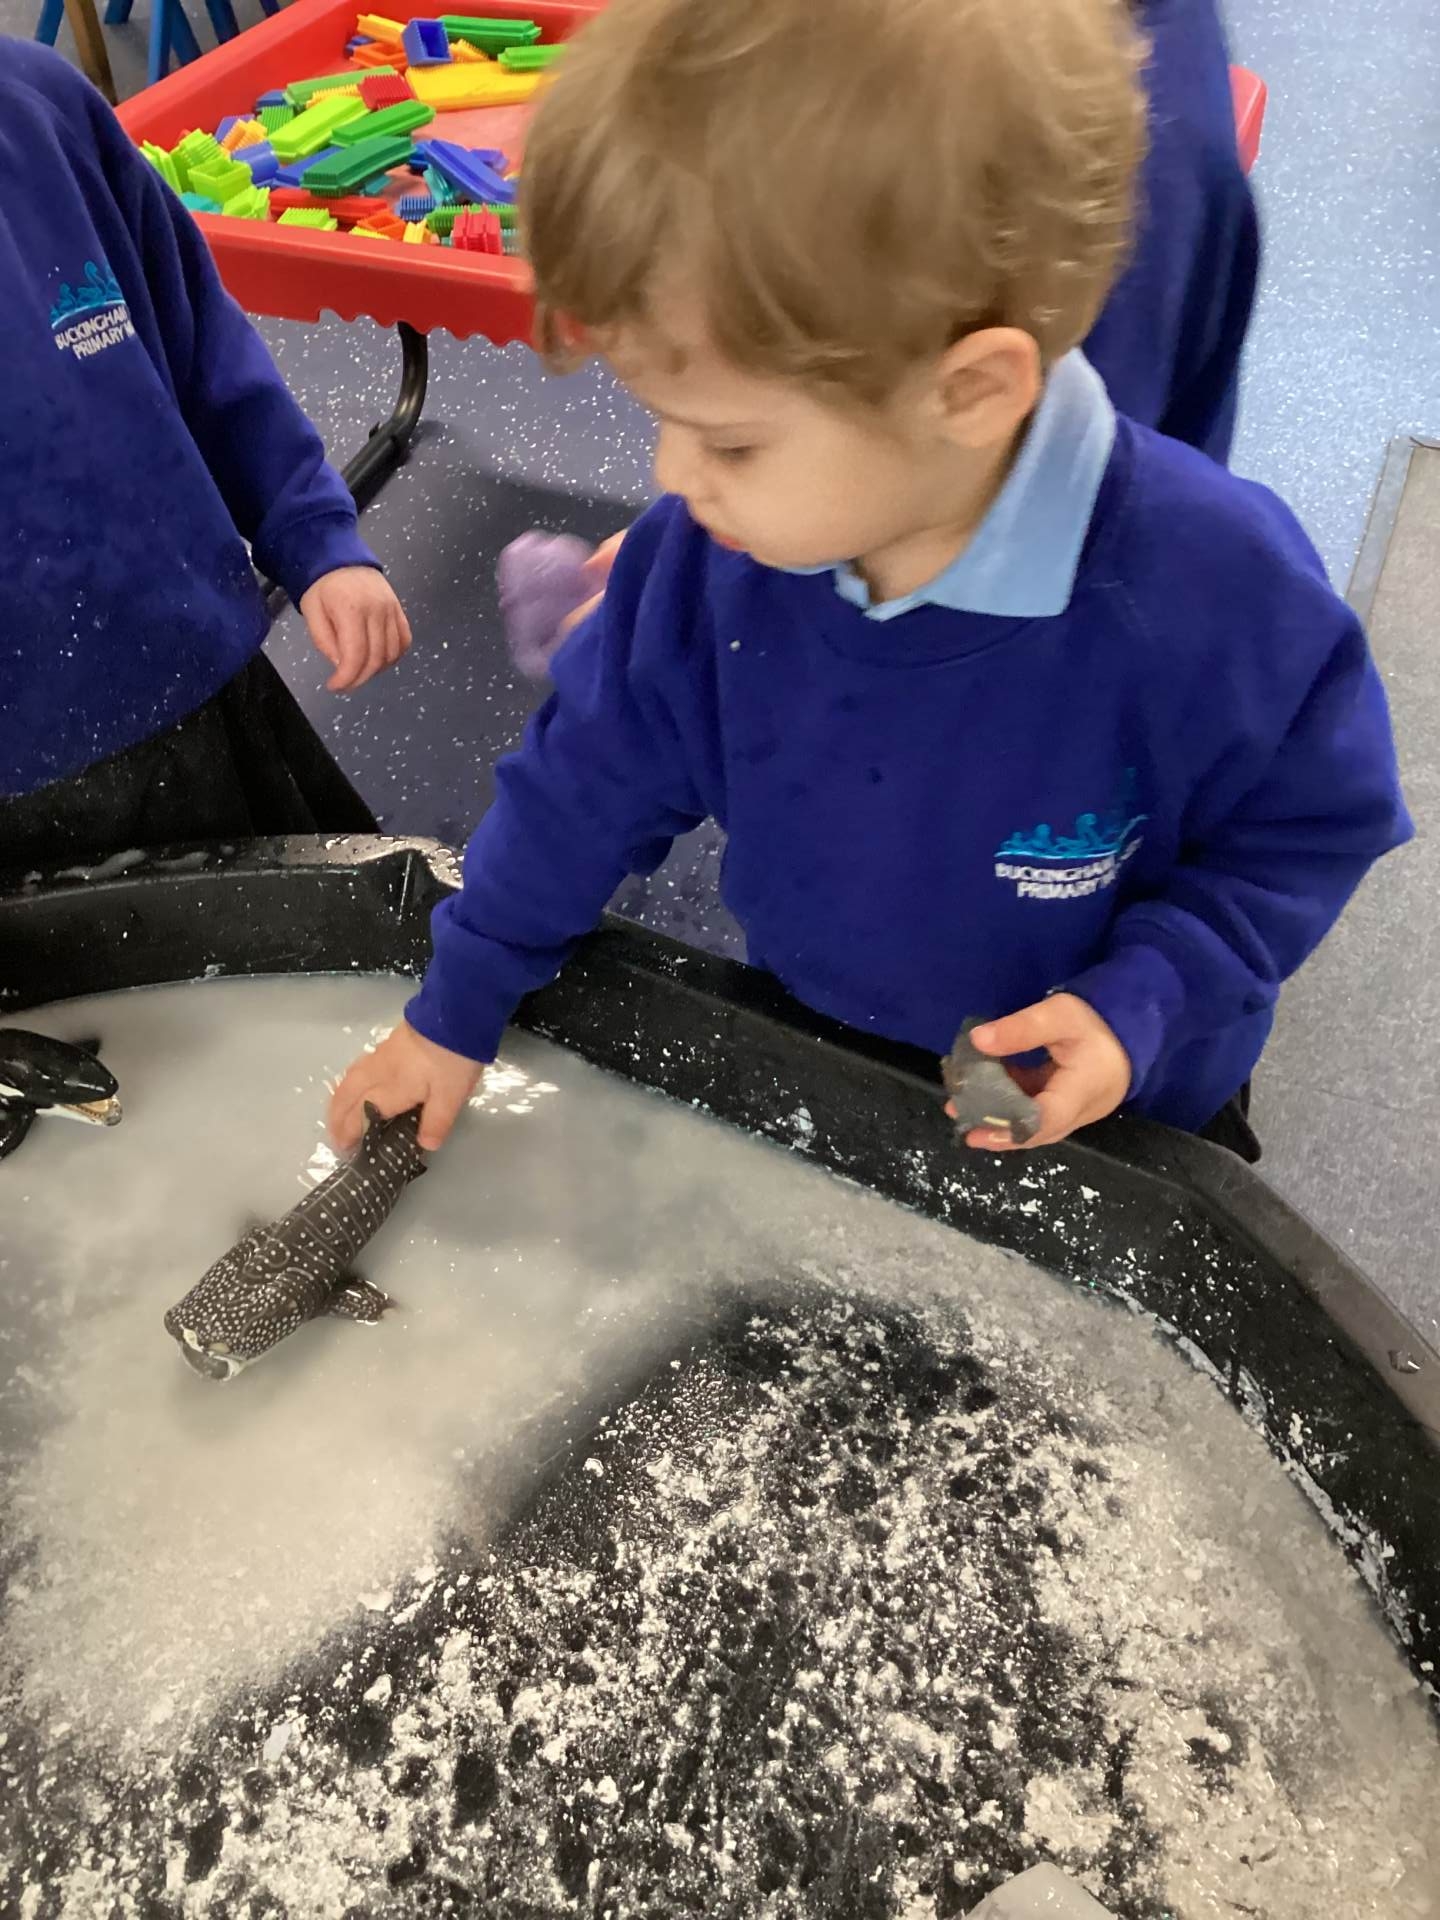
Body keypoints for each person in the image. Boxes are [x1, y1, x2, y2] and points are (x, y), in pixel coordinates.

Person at [331, 0, 1408, 1162]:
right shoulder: (709, 561)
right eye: (662, 421)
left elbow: (1304, 830)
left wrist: (1145, 1000)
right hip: (825, 1027)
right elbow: (581, 786)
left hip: (1109, 1088)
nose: (670, 478)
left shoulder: (1214, 591)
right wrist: (456, 1005)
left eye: (731, 442)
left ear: (969, 393)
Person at [0, 44, 410, 875]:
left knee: (307, 934)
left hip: (196, 681)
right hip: (22, 782)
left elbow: (202, 343)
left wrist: (313, 532)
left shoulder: (39, 102)